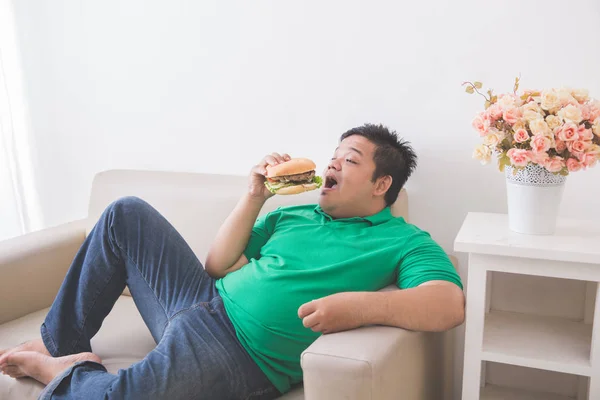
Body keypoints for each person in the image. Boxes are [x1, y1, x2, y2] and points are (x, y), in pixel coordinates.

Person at [0, 123, 465, 399]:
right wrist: (254, 196)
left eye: (350, 160)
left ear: (382, 185)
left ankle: (60, 374)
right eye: (334, 156)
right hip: (201, 301)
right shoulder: (294, 212)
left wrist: (360, 308)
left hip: (238, 354)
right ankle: (59, 342)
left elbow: (447, 304)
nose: (333, 165)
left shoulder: (404, 241)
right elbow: (218, 265)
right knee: (126, 213)